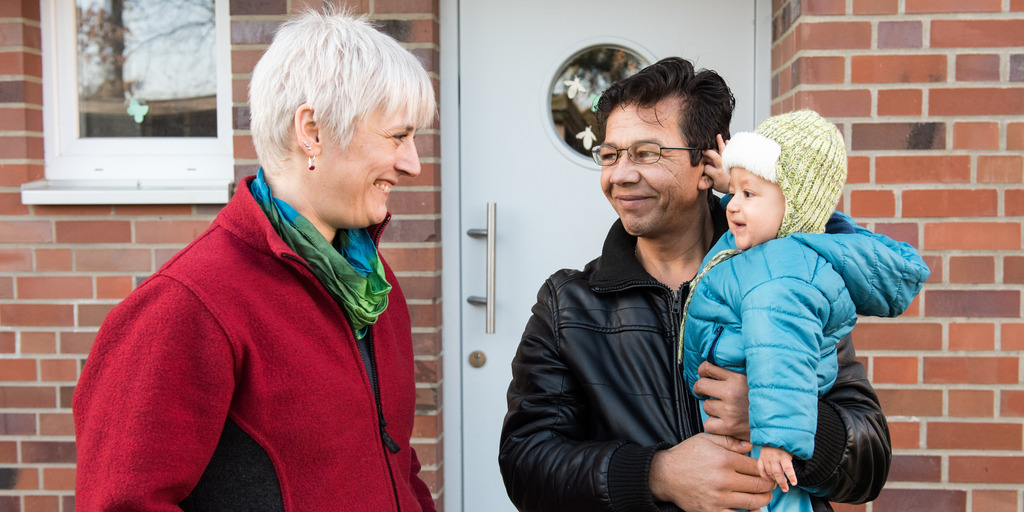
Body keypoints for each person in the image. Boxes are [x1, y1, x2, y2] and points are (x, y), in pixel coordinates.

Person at [73, 8, 436, 511]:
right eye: (398, 136)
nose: (412, 164)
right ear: (311, 130)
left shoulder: (371, 285)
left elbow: (398, 463)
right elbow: (123, 502)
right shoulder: (188, 305)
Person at [499, 57, 892, 512]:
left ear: (708, 165)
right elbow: (525, 464)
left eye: (647, 153)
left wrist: (775, 413)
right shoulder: (568, 306)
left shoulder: (787, 280)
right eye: (610, 155)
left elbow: (870, 465)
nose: (620, 174)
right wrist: (656, 475)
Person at [679, 110, 929, 511]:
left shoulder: (779, 276)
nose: (731, 206)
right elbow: (770, 211)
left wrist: (779, 442)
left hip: (765, 445)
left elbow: (782, 357)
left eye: (750, 194)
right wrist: (739, 181)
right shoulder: (780, 251)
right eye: (736, 191)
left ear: (793, 206)